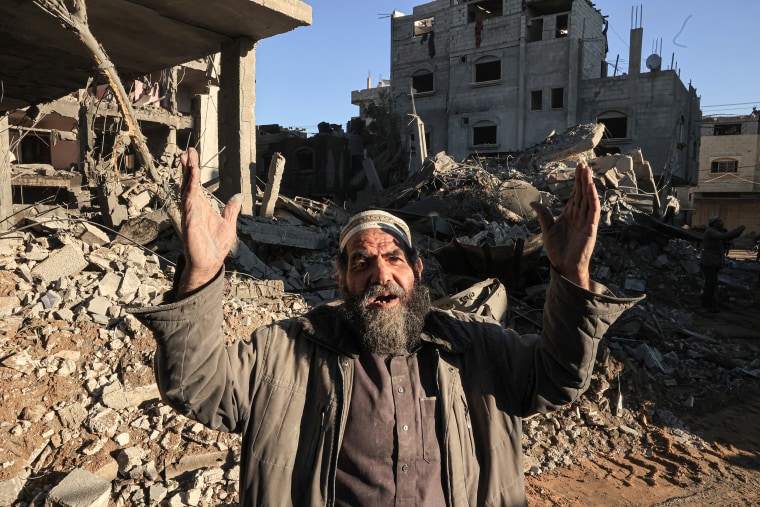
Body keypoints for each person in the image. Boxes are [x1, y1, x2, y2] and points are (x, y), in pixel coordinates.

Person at [130, 148, 639, 506]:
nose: (380, 272)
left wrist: (572, 276)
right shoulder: (286, 352)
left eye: (393, 257)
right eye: (361, 262)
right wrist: (200, 271)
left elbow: (557, 377)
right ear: (342, 281)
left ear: (417, 272)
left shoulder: (478, 346)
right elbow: (198, 386)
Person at [700, 215, 745, 313]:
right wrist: (737, 230)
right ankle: (706, 304)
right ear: (713, 223)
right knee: (710, 284)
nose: (721, 223)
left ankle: (709, 303)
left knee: (712, 283)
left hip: (713, 261)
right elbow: (724, 236)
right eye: (718, 221)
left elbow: (725, 238)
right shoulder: (710, 231)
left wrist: (735, 234)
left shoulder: (715, 231)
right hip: (709, 261)